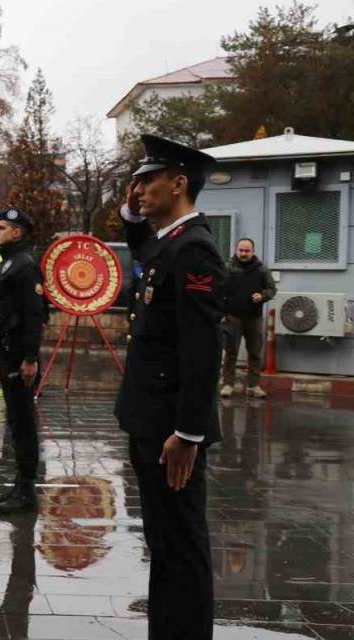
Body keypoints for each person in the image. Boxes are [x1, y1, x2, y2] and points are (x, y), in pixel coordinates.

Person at [116, 134, 225, 640]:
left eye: (149, 179)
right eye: (136, 181)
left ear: (179, 183)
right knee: (163, 542)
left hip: (171, 432)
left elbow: (203, 353)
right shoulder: (169, 243)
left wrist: (189, 432)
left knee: (181, 545)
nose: (138, 190)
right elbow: (142, 244)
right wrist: (133, 207)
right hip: (150, 421)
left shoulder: (195, 250)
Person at [0, 207, 46, 514]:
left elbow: (34, 316)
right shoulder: (4, 261)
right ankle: (20, 486)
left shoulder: (25, 266)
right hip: (6, 352)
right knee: (15, 424)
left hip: (20, 357)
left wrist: (31, 358)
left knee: (23, 423)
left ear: (17, 233)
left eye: (2, 228)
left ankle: (27, 491)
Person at [219, 238, 275, 398]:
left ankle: (253, 386)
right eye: (241, 250)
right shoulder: (227, 268)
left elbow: (272, 289)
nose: (243, 253)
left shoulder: (262, 270)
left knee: (255, 353)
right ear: (236, 250)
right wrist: (221, 312)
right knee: (231, 352)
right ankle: (228, 385)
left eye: (247, 251)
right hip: (232, 317)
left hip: (254, 317)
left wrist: (263, 295)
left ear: (253, 251)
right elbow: (218, 288)